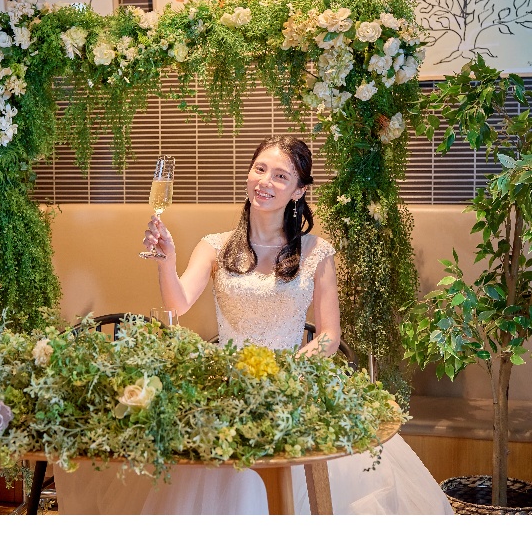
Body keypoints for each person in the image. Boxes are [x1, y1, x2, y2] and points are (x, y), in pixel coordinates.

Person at [53, 136, 453, 515]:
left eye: (280, 176)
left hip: (293, 386)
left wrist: (294, 368)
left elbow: (330, 335)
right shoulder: (214, 245)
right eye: (259, 169)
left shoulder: (317, 252)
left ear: (298, 191)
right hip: (228, 387)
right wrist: (166, 261)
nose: (265, 182)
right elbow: (177, 303)